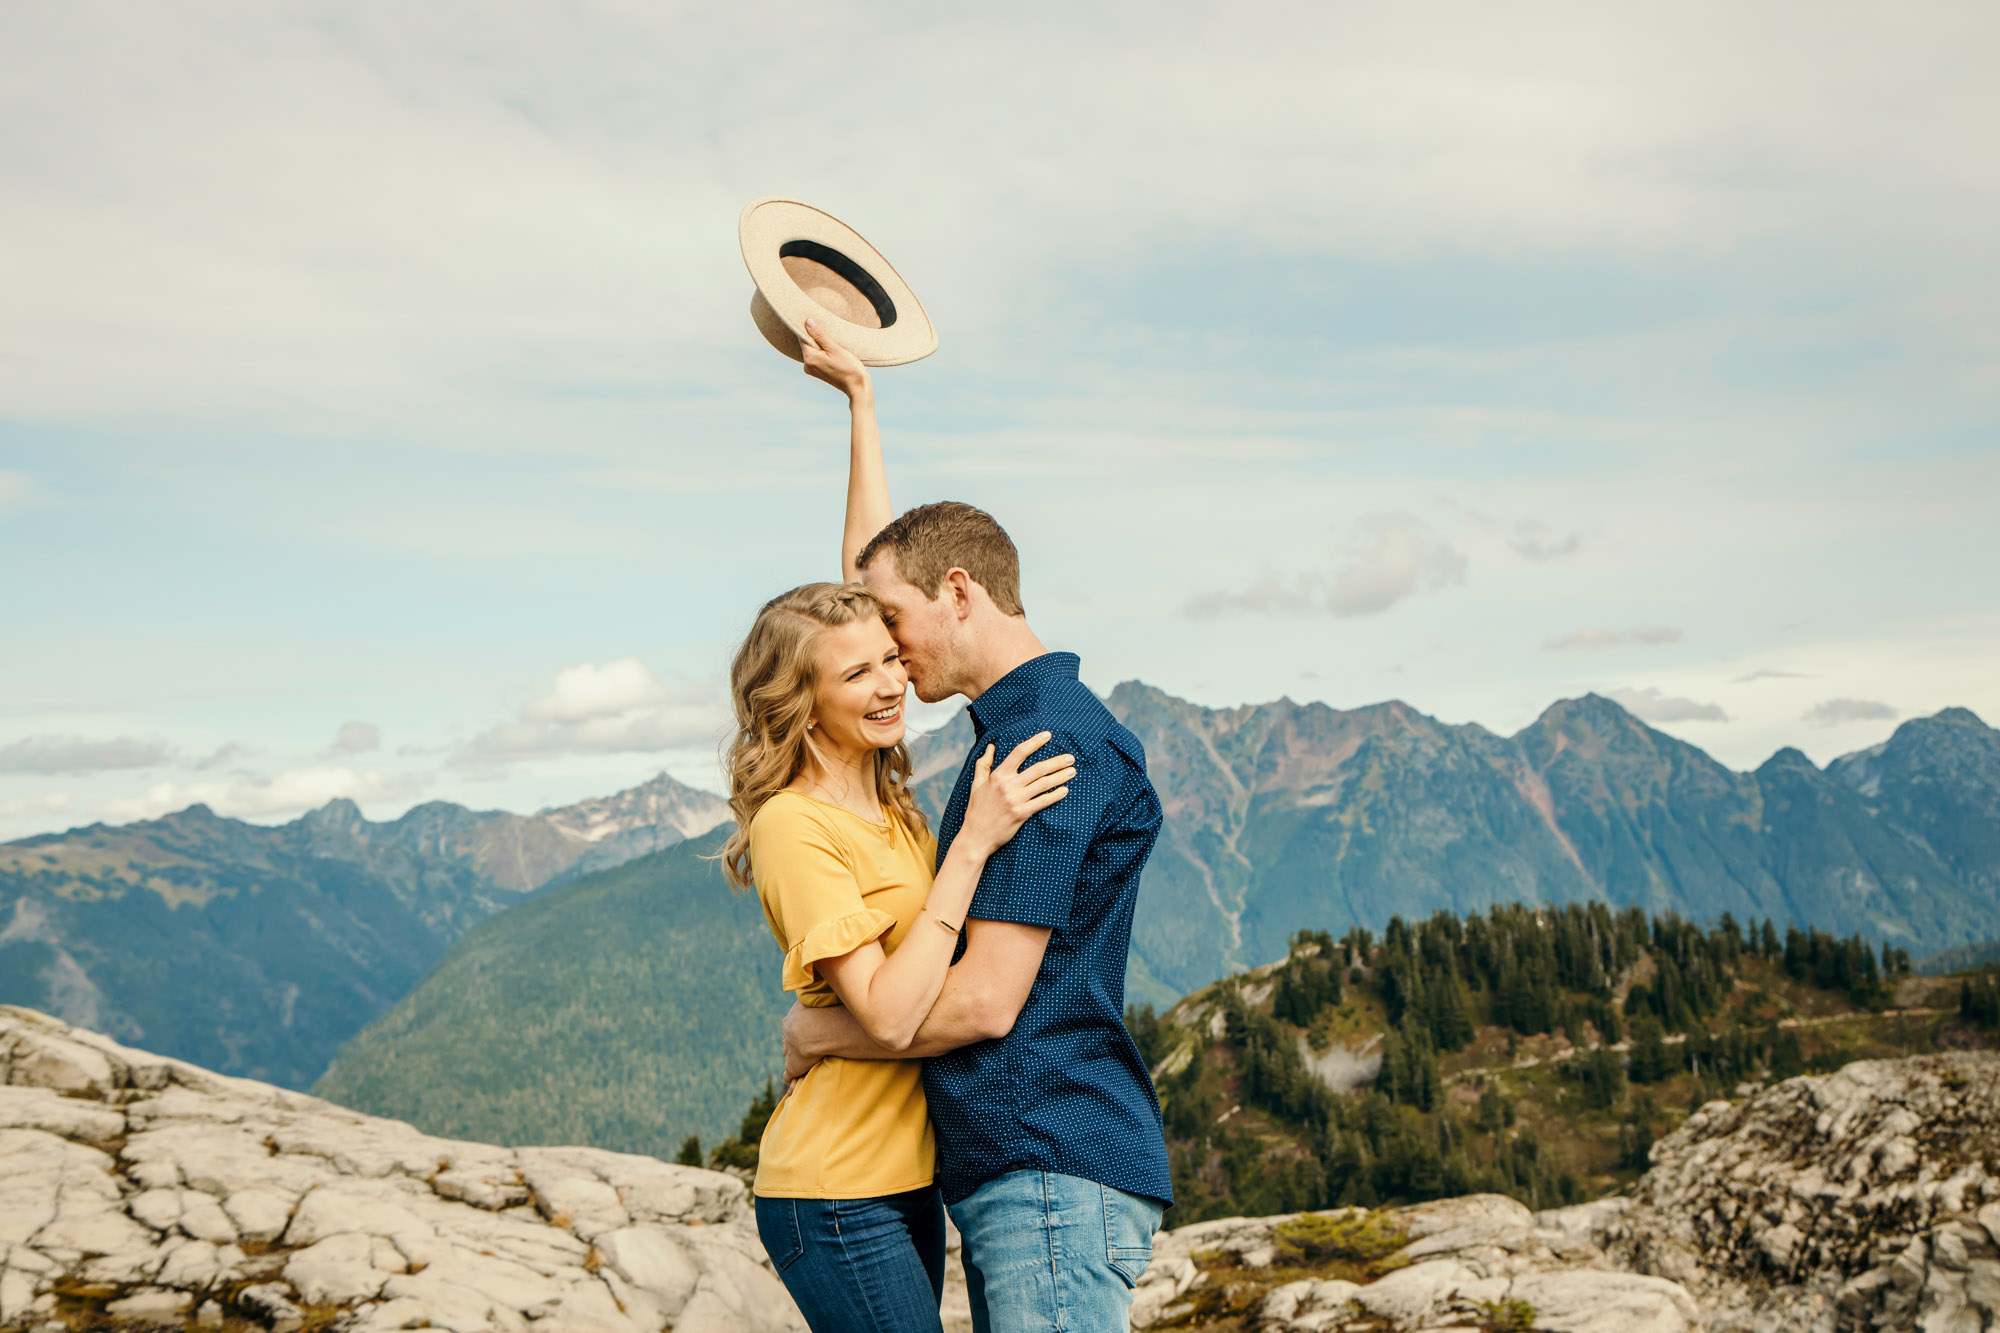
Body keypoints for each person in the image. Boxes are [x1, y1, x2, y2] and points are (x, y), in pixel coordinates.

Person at [780, 317, 1174, 1332]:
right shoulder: (1018, 721)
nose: (890, 660)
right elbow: (869, 596)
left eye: (898, 632)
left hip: (1048, 1163)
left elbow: (986, 1002)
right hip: (1032, 1169)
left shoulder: (1048, 747)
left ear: (958, 593)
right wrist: (861, 406)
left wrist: (823, 1030)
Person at [721, 572, 1075, 1326]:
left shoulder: (895, 811)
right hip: (834, 1185)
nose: (891, 684)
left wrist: (864, 444)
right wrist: (973, 844)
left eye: (890, 657)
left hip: (908, 1178)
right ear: (802, 703)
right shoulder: (794, 823)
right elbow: (887, 1014)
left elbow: (870, 558)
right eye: (856, 673)